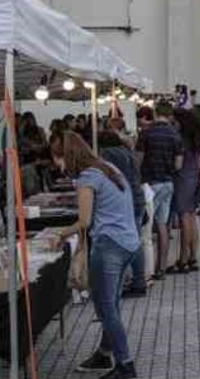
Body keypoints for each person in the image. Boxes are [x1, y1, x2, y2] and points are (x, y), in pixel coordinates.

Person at [50, 132, 141, 379]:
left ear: (66, 157)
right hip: (129, 242)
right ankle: (104, 353)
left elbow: (84, 220)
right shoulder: (107, 167)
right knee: (112, 304)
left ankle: (126, 365)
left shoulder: (87, 177)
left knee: (106, 309)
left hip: (110, 245)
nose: (57, 166)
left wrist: (60, 234)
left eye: (57, 159)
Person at [97, 131, 149, 298]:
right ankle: (139, 280)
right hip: (138, 197)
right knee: (136, 240)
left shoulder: (108, 154)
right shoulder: (127, 151)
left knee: (129, 242)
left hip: (127, 201)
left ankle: (130, 281)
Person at [136, 104, 181, 280]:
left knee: (145, 229)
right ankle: (161, 267)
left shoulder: (146, 133)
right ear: (169, 115)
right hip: (168, 183)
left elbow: (137, 160)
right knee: (162, 224)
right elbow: (178, 164)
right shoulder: (175, 135)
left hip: (149, 184)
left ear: (155, 114)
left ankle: (146, 271)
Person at [168, 109, 200, 273]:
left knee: (184, 219)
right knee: (191, 218)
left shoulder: (181, 139)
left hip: (183, 179)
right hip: (195, 177)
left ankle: (182, 259)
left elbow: (178, 164)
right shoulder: (197, 137)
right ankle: (193, 257)